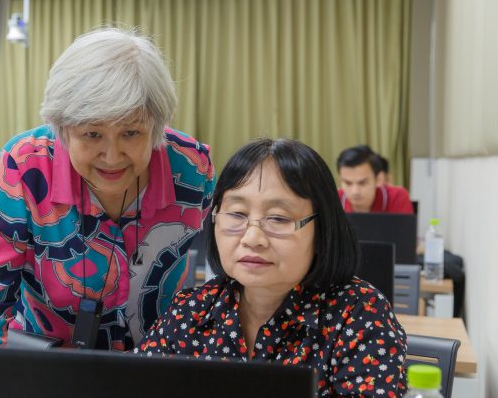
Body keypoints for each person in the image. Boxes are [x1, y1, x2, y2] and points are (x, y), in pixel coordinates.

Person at [0, 27, 215, 350]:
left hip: (159, 361)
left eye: (131, 133)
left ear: (157, 124)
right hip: (48, 364)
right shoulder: (22, 169)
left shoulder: (192, 169)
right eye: (92, 134)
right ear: (62, 128)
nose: (112, 156)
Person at [136, 138, 407, 397]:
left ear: (322, 230)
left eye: (278, 218)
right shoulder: (191, 310)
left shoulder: (359, 314)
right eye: (237, 214)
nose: (252, 238)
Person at [337, 145, 413, 213]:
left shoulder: (397, 197)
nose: (355, 192)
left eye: (362, 183)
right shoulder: (335, 199)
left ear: (378, 179)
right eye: (348, 183)